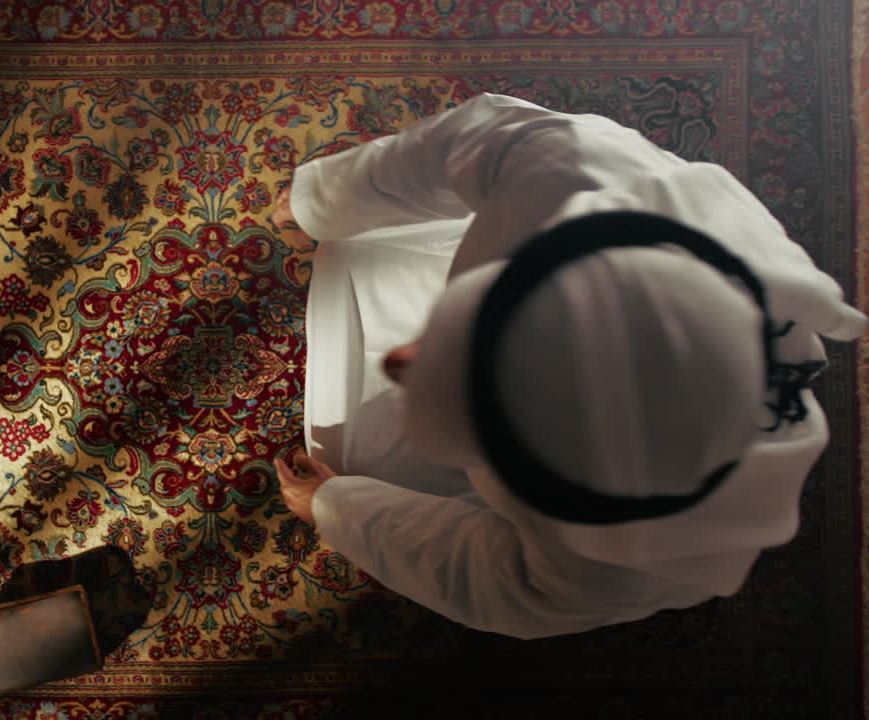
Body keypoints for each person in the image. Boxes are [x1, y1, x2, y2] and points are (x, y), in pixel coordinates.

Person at [269, 93, 866, 640]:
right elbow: (469, 140)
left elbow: (494, 580)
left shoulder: (635, 559)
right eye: (472, 335)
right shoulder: (573, 176)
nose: (400, 361)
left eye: (482, 411)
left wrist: (344, 510)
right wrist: (322, 201)